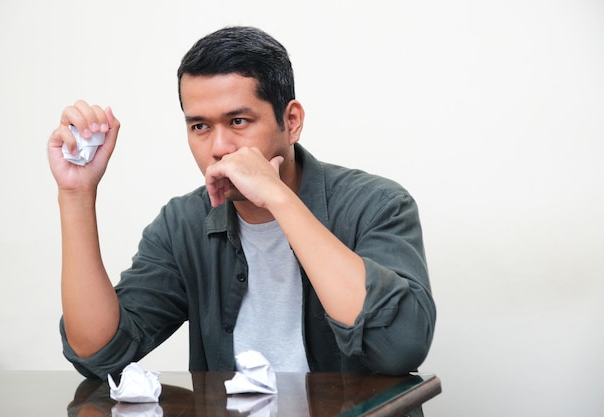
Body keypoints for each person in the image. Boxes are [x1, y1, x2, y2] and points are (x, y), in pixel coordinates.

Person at [48, 26, 436, 380]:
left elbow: (399, 347)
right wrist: (76, 195)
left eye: (238, 121)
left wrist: (278, 198)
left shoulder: (377, 204)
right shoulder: (183, 223)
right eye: (200, 126)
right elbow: (100, 353)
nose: (218, 148)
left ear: (292, 121)